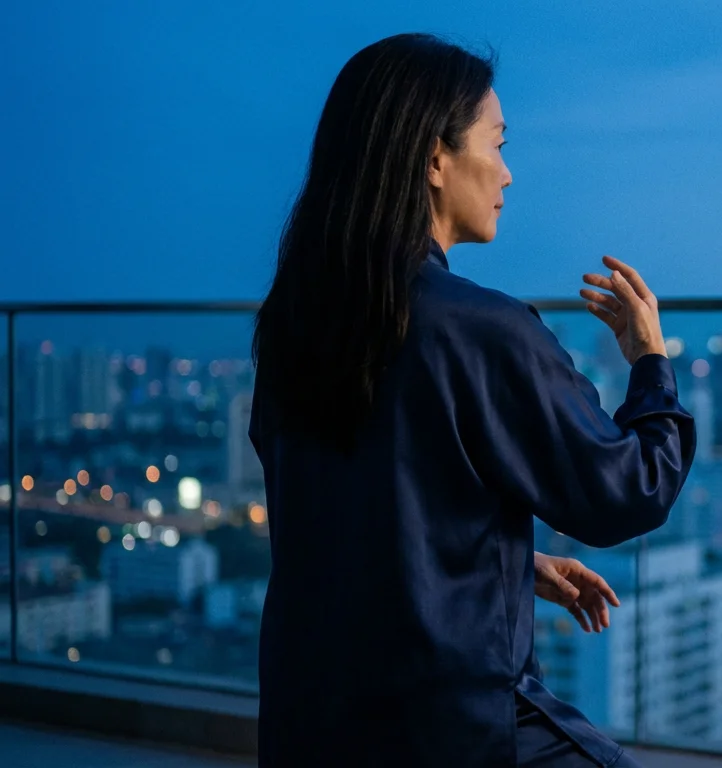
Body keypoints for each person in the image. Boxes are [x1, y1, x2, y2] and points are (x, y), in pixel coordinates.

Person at [249, 33, 696, 767]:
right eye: (497, 143)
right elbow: (628, 490)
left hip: (311, 726)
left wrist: (510, 564)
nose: (509, 174)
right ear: (433, 159)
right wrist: (649, 359)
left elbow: (357, 511)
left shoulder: (297, 324)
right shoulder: (481, 327)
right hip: (454, 728)